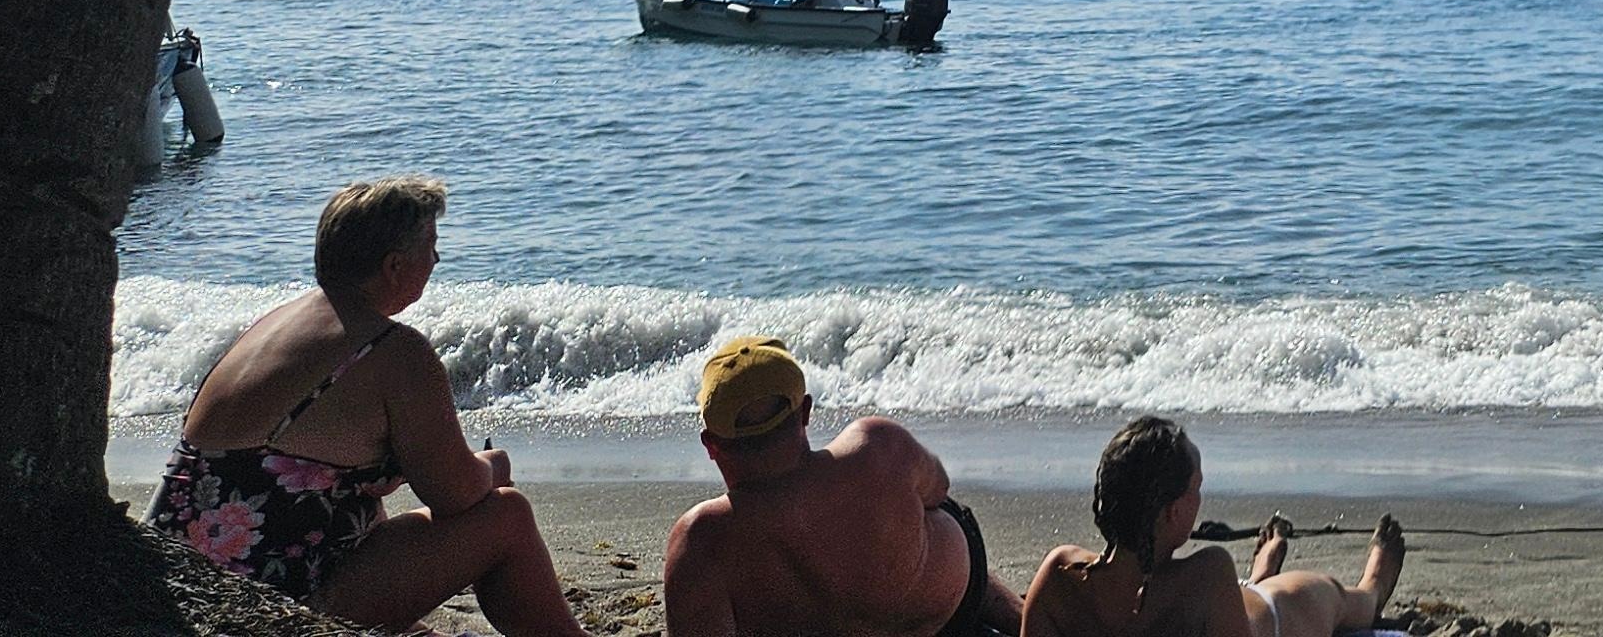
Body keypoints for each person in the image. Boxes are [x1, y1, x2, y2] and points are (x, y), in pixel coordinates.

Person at [149, 174, 581, 637]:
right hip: (259, 608)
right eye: (431, 246)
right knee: (505, 514)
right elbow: (454, 493)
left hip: (180, 585)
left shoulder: (278, 324)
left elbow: (315, 489)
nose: (437, 259)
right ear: (394, 266)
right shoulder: (390, 350)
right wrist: (492, 467)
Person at [663, 335, 1023, 637]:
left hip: (937, 611)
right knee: (923, 510)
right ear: (804, 411)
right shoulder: (877, 444)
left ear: (711, 445)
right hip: (944, 614)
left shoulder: (701, 540)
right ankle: (1026, 621)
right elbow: (939, 488)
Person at [1019, 413, 1409, 637]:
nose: (1200, 498)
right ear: (1172, 512)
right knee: (1332, 596)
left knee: (1245, 591)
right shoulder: (1207, 573)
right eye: (1196, 488)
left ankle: (1260, 572)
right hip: (1269, 620)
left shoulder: (1060, 572)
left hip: (1224, 607)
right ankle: (1372, 589)